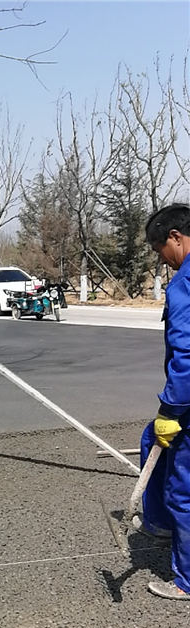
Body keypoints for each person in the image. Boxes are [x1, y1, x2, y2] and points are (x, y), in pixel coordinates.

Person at [138, 203, 190, 600]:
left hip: (187, 403)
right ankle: (159, 524)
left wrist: (172, 410)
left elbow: (187, 355)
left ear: (176, 237)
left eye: (161, 250)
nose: (163, 259)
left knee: (182, 490)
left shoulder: (185, 283)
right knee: (148, 439)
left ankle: (186, 580)